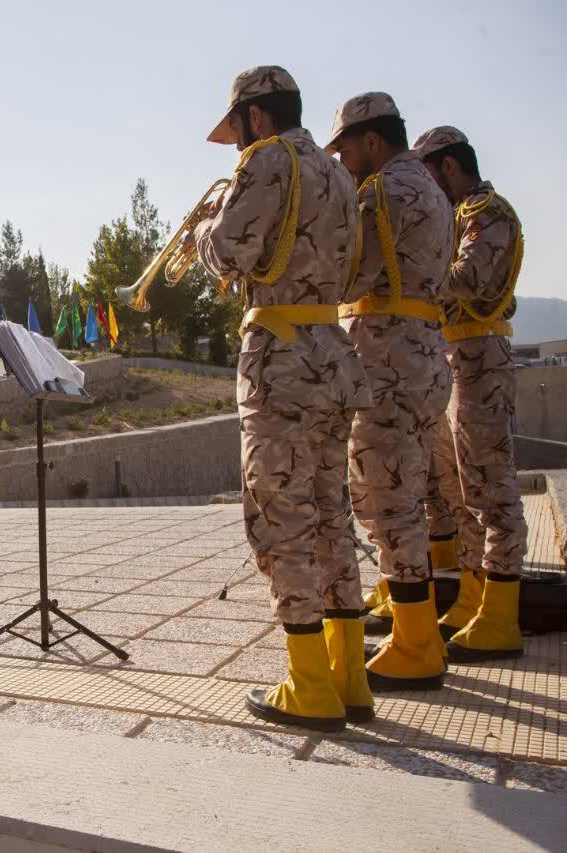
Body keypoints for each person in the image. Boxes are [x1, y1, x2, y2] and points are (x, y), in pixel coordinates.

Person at [193, 66, 368, 732]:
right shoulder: (338, 175)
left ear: (255, 118)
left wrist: (207, 227)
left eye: (235, 130)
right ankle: (348, 675)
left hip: (282, 357)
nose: (236, 145)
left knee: (279, 518)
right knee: (331, 514)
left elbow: (232, 250)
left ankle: (309, 684)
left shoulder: (267, 162)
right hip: (330, 346)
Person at [327, 94, 456, 694]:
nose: (344, 158)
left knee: (388, 503)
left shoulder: (382, 193)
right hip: (424, 352)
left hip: (388, 359)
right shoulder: (433, 190)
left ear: (372, 141)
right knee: (406, 497)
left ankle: (415, 644)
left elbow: (352, 275)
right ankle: (416, 626)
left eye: (347, 146)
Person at [415, 126, 528, 663]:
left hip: (482, 354)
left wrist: (414, 271)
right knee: (458, 490)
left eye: (429, 172)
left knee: (491, 488)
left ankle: (502, 615)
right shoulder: (457, 217)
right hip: (453, 355)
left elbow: (473, 277)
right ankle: (472, 595)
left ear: (450, 168)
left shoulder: (487, 213)